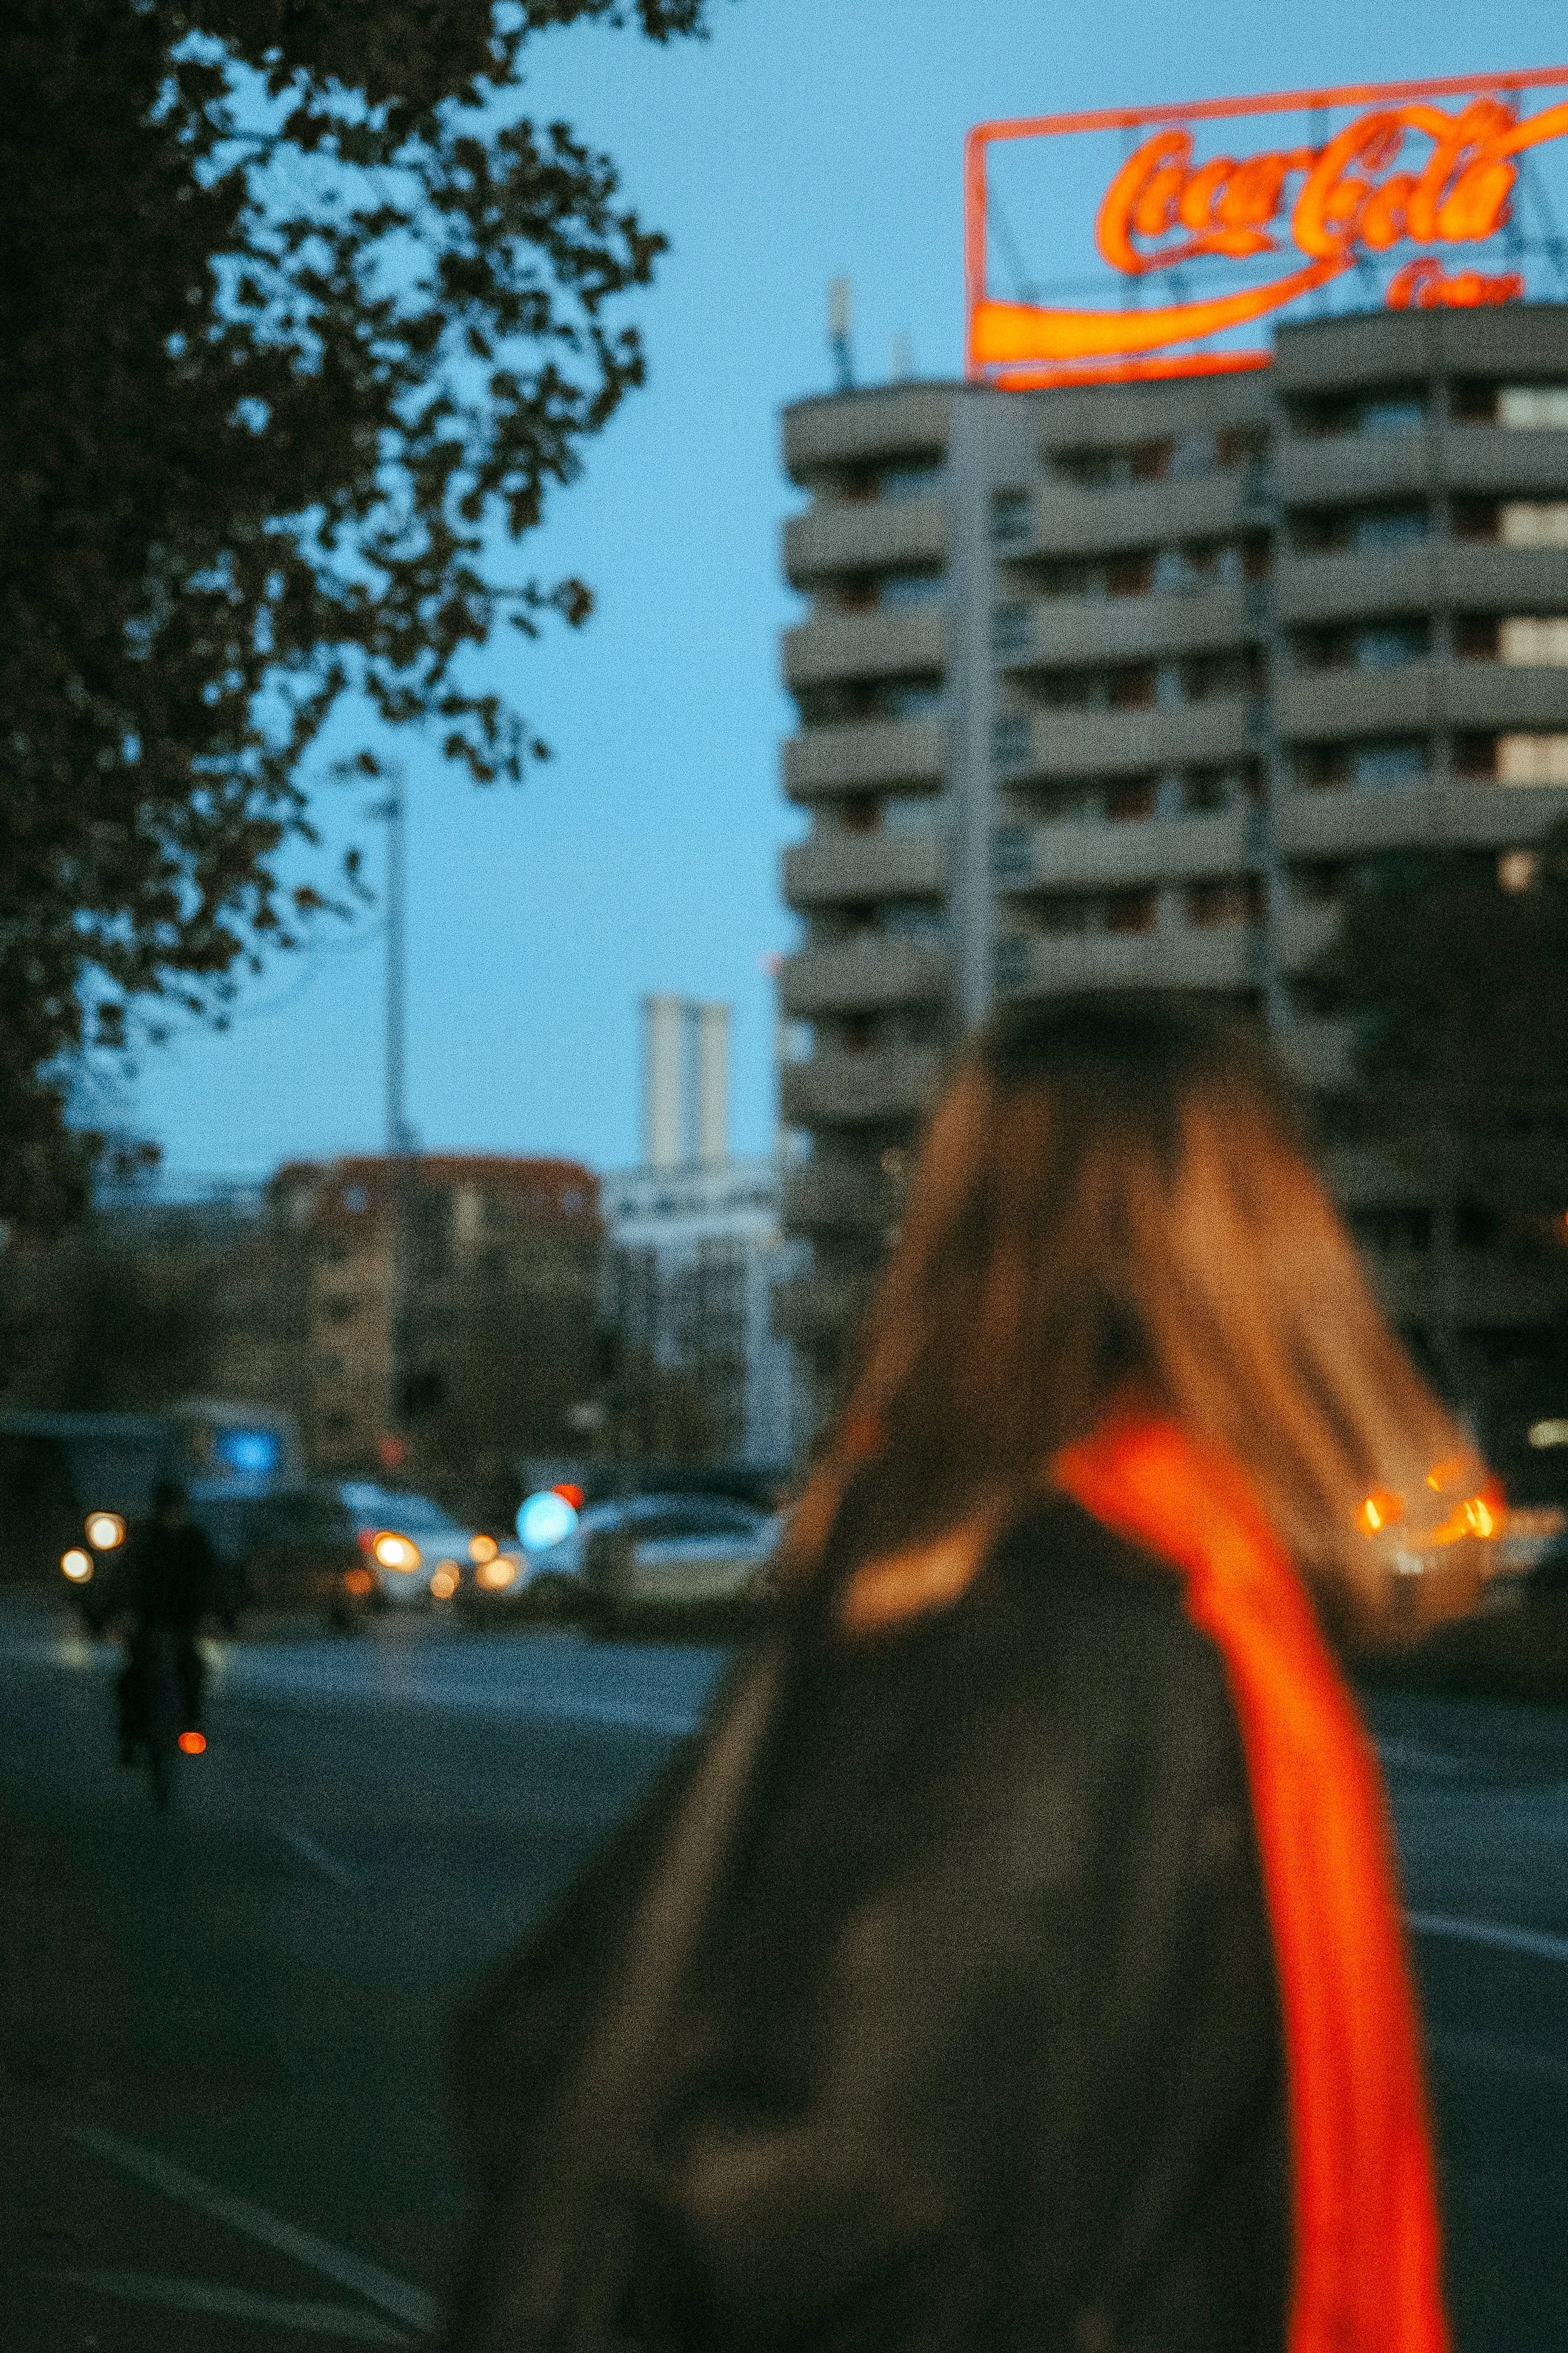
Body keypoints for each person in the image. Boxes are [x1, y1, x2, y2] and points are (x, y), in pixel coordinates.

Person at [444, 994, 1491, 2353]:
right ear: (1256, 1237)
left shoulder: (1005, 1576)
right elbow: (835, 2183)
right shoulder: (1083, 1622)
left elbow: (562, 2030)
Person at [112, 1477, 225, 1760]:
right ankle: (131, 1735)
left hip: (184, 1621)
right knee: (134, 1676)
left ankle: (191, 1728)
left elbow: (212, 1581)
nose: (174, 1516)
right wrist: (124, 1613)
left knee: (192, 1669)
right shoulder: (143, 1540)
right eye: (168, 1510)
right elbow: (124, 1580)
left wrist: (213, 1614)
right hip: (147, 1621)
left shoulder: (196, 1542)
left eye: (178, 1509)